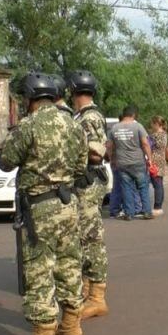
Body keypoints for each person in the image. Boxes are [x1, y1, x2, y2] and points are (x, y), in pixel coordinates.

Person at [0, 72, 88, 335]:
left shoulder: (29, 125)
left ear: (29, 99)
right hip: (68, 203)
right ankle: (72, 325)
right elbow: (81, 166)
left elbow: (5, 161)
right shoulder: (73, 124)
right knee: (70, 263)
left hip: (40, 206)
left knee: (38, 270)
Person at [68, 70, 110, 321]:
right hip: (84, 183)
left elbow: (96, 153)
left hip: (87, 183)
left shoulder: (89, 117)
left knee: (91, 239)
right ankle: (87, 289)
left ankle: (97, 297)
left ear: (73, 91)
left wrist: (72, 149)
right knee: (83, 239)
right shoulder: (82, 116)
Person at [107, 105, 154, 221]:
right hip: (138, 162)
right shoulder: (138, 126)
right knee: (143, 187)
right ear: (133, 115)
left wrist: (112, 159)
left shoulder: (114, 128)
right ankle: (147, 212)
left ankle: (129, 213)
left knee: (126, 188)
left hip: (122, 163)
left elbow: (109, 146)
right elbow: (145, 144)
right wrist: (149, 159)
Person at [149, 115, 168, 216]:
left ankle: (157, 206)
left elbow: (151, 146)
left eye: (152, 123)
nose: (151, 125)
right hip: (160, 160)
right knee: (159, 183)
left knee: (157, 184)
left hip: (155, 161)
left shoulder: (156, 135)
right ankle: (159, 205)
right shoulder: (164, 134)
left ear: (157, 124)